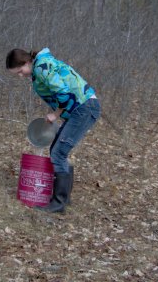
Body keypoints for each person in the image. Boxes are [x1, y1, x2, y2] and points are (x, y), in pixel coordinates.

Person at [6, 48, 101, 213]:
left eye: (20, 71)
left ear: (27, 62)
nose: (21, 75)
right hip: (81, 107)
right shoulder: (41, 66)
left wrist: (55, 114)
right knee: (57, 150)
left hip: (84, 108)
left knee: (58, 153)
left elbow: (64, 93)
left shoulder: (42, 68)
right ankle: (64, 199)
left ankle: (58, 203)